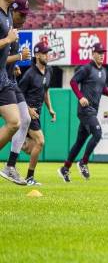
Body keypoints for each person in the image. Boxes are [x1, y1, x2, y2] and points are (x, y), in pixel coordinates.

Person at [58, 42, 108, 182]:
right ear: (93, 53)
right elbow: (73, 82)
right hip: (85, 110)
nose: (101, 55)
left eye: (103, 53)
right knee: (98, 133)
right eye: (99, 52)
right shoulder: (86, 68)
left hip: (93, 110)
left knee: (79, 142)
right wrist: (80, 97)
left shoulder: (104, 71)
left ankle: (65, 168)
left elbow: (101, 87)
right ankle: (83, 162)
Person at [0, 0, 32, 185]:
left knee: (23, 119)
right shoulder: (6, 24)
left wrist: (15, 65)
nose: (25, 18)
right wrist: (18, 57)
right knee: (15, 121)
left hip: (10, 80)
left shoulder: (11, 25)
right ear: (13, 10)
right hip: (4, 80)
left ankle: (10, 166)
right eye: (22, 14)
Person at [16, 42, 55, 185]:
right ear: (37, 55)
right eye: (44, 53)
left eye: (48, 52)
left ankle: (13, 138)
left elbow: (46, 91)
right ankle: (29, 177)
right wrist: (28, 109)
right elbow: (18, 94)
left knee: (31, 148)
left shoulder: (49, 70)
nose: (47, 55)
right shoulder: (30, 74)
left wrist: (50, 108)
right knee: (40, 141)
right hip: (27, 112)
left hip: (37, 113)